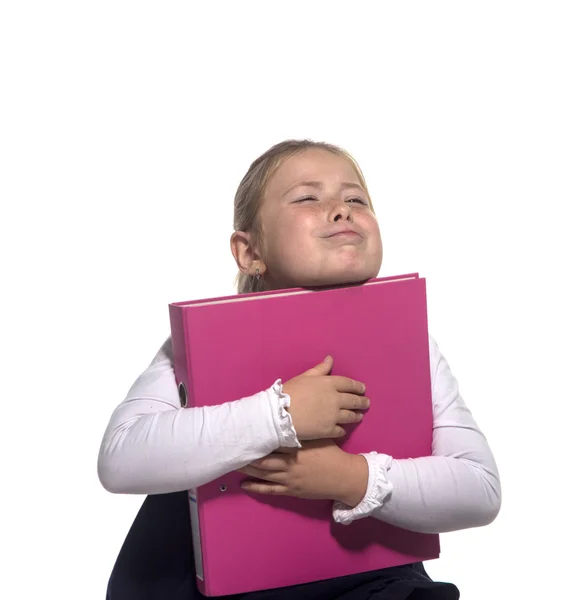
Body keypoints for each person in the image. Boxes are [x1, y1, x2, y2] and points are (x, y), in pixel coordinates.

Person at [98, 139, 501, 599]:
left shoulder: (413, 344)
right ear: (249, 252)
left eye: (355, 199)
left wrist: (348, 477)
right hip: (199, 583)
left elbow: (480, 489)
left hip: (369, 582)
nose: (340, 210)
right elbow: (120, 459)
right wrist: (279, 414)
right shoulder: (199, 342)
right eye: (309, 198)